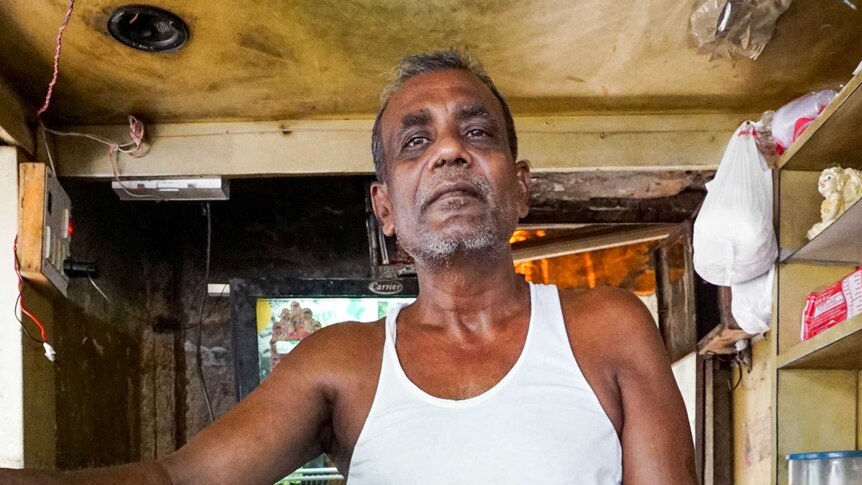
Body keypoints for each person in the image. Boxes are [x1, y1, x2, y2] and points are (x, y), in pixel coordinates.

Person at [1, 51, 697, 485]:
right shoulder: (341, 363)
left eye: (476, 131)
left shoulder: (608, 328)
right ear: (386, 208)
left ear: (519, 186)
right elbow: (179, 479)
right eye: (415, 140)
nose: (449, 151)